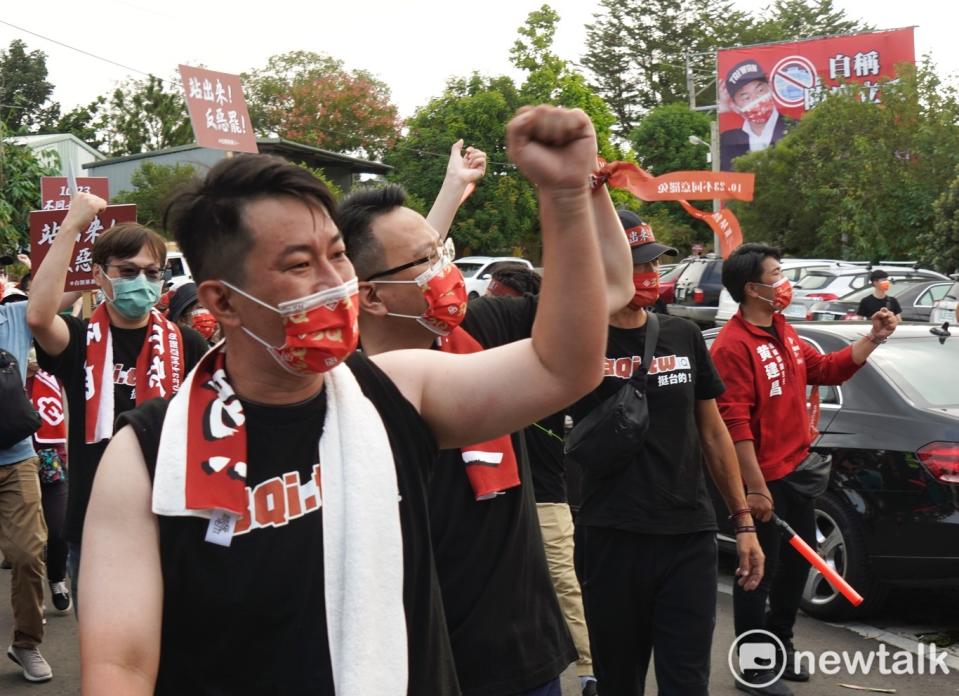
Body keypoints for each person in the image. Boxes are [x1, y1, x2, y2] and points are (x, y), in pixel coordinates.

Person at [78, 105, 613, 695]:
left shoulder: (395, 393)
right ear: (222, 303)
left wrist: (564, 197)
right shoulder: (147, 457)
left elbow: (562, 367)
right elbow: (120, 667)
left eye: (337, 255)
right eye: (299, 265)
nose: (335, 283)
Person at [338, 129, 632, 696]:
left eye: (444, 255)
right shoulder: (345, 387)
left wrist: (587, 190)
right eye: (430, 262)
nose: (447, 273)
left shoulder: (482, 329)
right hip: (418, 662)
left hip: (524, 652)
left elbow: (613, 287)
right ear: (368, 295)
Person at [571, 212, 764, 696]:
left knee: (687, 681)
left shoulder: (681, 335)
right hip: (611, 536)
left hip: (688, 536)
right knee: (620, 681)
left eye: (654, 265)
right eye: (636, 266)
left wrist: (742, 523)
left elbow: (714, 432)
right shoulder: (573, 341)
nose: (650, 276)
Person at [710, 243, 897, 696]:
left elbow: (827, 370)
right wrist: (755, 490)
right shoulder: (732, 347)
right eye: (776, 274)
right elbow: (735, 428)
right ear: (752, 289)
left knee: (795, 569)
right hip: (763, 482)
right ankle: (754, 667)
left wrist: (872, 337)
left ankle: (781, 646)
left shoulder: (783, 330)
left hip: (796, 473)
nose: (784, 281)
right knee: (757, 571)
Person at [26, 201, 210, 605]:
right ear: (100, 277)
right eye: (126, 271)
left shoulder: (188, 342)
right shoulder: (78, 340)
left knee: (175, 649)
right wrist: (73, 224)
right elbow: (39, 316)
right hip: (96, 523)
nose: (140, 281)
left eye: (150, 272)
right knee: (104, 651)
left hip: (170, 518)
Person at [486, 266, 597, 695]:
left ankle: (590, 670)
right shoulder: (478, 355)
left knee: (563, 585)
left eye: (501, 298)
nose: (490, 304)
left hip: (547, 496)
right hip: (495, 496)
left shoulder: (548, 357)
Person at [0, 299, 51, 682]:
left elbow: (67, 289)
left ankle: (26, 643)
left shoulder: (15, 316)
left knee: (28, 554)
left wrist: (70, 234)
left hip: (17, 459)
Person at [24, 351, 72, 613]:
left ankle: (56, 580)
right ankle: (30, 601)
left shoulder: (56, 375)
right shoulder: (8, 373)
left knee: (57, 528)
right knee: (26, 539)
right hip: (15, 459)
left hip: (51, 457)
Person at [720, 60, 795, 171]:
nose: (756, 99)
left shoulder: (795, 129)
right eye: (746, 98)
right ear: (735, 106)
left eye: (760, 90)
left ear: (770, 87)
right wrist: (723, 109)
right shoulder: (728, 141)